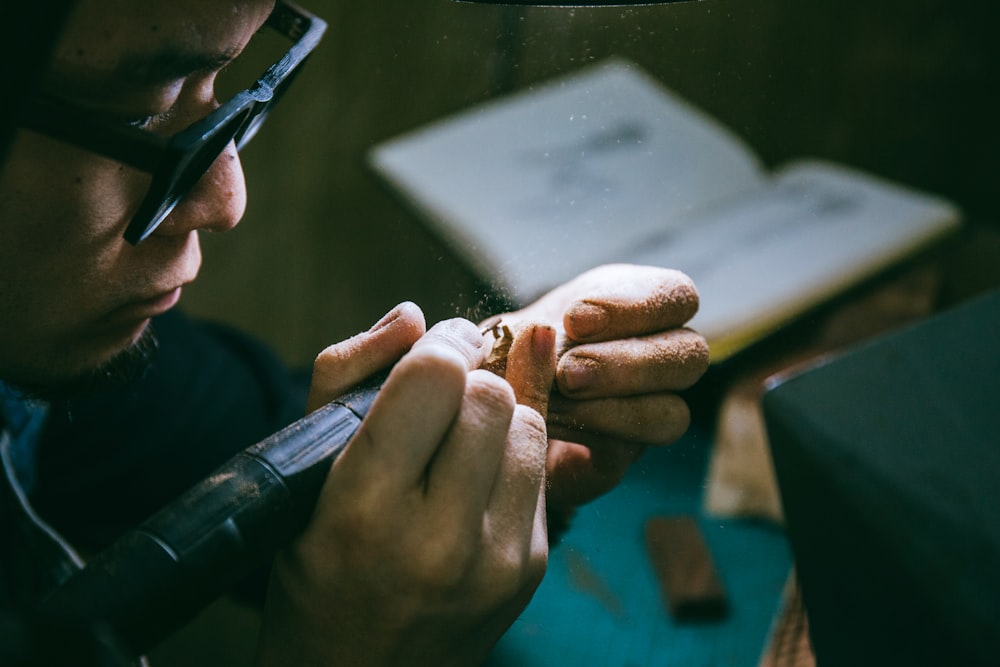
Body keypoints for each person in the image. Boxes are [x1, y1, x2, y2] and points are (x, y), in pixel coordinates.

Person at [0, 0, 709, 664]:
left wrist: (500, 392)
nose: (227, 200)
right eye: (142, 116)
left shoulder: (49, 362)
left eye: (221, 87)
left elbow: (240, 451)